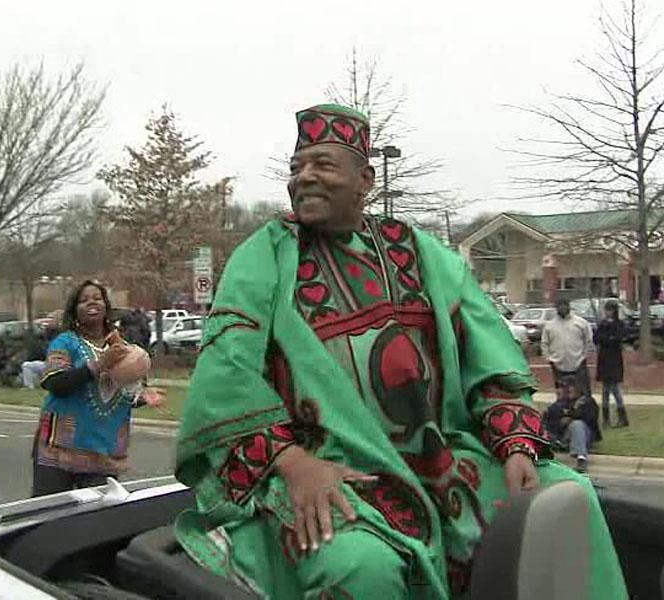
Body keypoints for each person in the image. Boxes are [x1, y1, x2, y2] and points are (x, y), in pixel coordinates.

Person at [174, 104, 626, 599]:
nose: (304, 177)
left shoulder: (420, 252)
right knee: (360, 566)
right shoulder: (263, 257)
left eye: (323, 165)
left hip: (444, 461)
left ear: (365, 179)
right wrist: (294, 464)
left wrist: (515, 443)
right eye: (296, 166)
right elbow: (226, 375)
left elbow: (490, 361)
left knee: (567, 493)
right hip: (328, 469)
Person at [31, 280, 165, 496]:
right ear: (74, 310)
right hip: (59, 450)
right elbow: (54, 383)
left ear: (106, 306)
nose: (91, 303)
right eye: (83, 300)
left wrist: (143, 397)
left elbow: (124, 391)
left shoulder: (123, 346)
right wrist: (100, 364)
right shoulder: (65, 342)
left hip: (105, 451)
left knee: (99, 518)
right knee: (48, 518)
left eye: (97, 298)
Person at [543, 378, 601, 473]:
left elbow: (589, 417)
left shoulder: (587, 401)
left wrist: (570, 416)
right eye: (565, 387)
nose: (568, 390)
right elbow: (549, 417)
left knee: (577, 424)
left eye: (570, 387)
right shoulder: (561, 403)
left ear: (579, 389)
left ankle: (581, 458)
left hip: (585, 436)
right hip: (564, 437)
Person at [541, 298, 593, 393]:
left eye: (565, 306)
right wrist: (549, 359)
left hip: (578, 364)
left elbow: (588, 341)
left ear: (569, 306)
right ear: (556, 308)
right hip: (558, 365)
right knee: (562, 394)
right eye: (560, 306)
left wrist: (583, 357)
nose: (562, 308)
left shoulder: (581, 323)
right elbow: (544, 344)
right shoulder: (549, 325)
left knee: (581, 393)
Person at [595, 300, 628, 428]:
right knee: (605, 391)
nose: (608, 312)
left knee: (615, 390)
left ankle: (622, 418)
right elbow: (597, 338)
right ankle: (606, 420)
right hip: (603, 360)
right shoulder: (602, 324)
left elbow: (618, 338)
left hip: (614, 360)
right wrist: (607, 338)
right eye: (606, 310)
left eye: (610, 310)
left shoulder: (619, 324)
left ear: (615, 311)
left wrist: (608, 338)